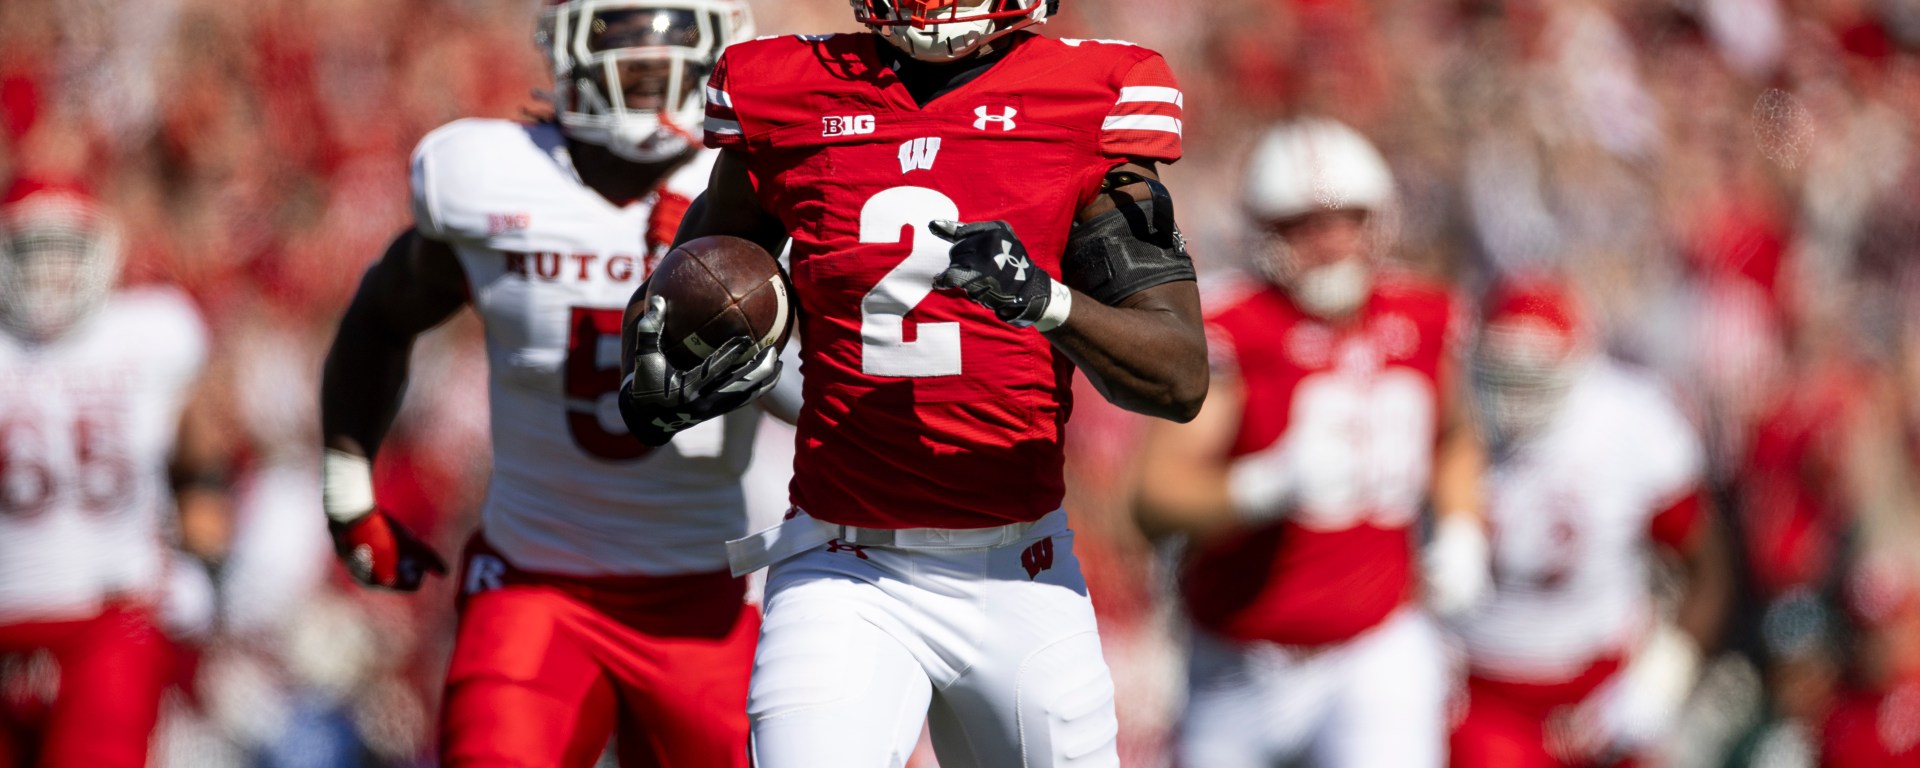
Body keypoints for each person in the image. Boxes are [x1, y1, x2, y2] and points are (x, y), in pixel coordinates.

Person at [618, 1, 1210, 764]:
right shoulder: (789, 92)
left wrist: (1046, 300)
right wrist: (660, 383)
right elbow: (673, 303)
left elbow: (1178, 377)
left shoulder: (1087, 94)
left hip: (1019, 567)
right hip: (843, 563)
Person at [317, 2, 789, 765]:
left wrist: (727, 261)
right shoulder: (491, 177)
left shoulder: (760, 190)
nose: (646, 54)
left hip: (703, 597)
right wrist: (348, 490)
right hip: (536, 589)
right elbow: (380, 314)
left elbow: (810, 391)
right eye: (622, 31)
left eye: (668, 30)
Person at [1131, 116, 1488, 768]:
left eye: (1344, 221)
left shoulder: (1422, 314)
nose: (1328, 243)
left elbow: (1454, 435)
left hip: (1374, 646)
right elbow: (1157, 499)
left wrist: (1462, 525)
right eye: (1303, 226)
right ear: (1265, 233)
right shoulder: (1236, 330)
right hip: (1240, 658)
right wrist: (1264, 485)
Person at [1449, 276, 1731, 768]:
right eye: (1502, 379)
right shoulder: (1446, 415)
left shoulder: (1630, 421)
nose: (1514, 400)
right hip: (1480, 692)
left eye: (1531, 380)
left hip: (1602, 682)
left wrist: (1659, 681)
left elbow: (1706, 570)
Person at [0, 177, 228, 767]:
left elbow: (200, 461)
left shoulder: (149, 333)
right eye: (31, 253)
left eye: (63, 252)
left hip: (109, 617)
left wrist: (202, 566)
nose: (48, 274)